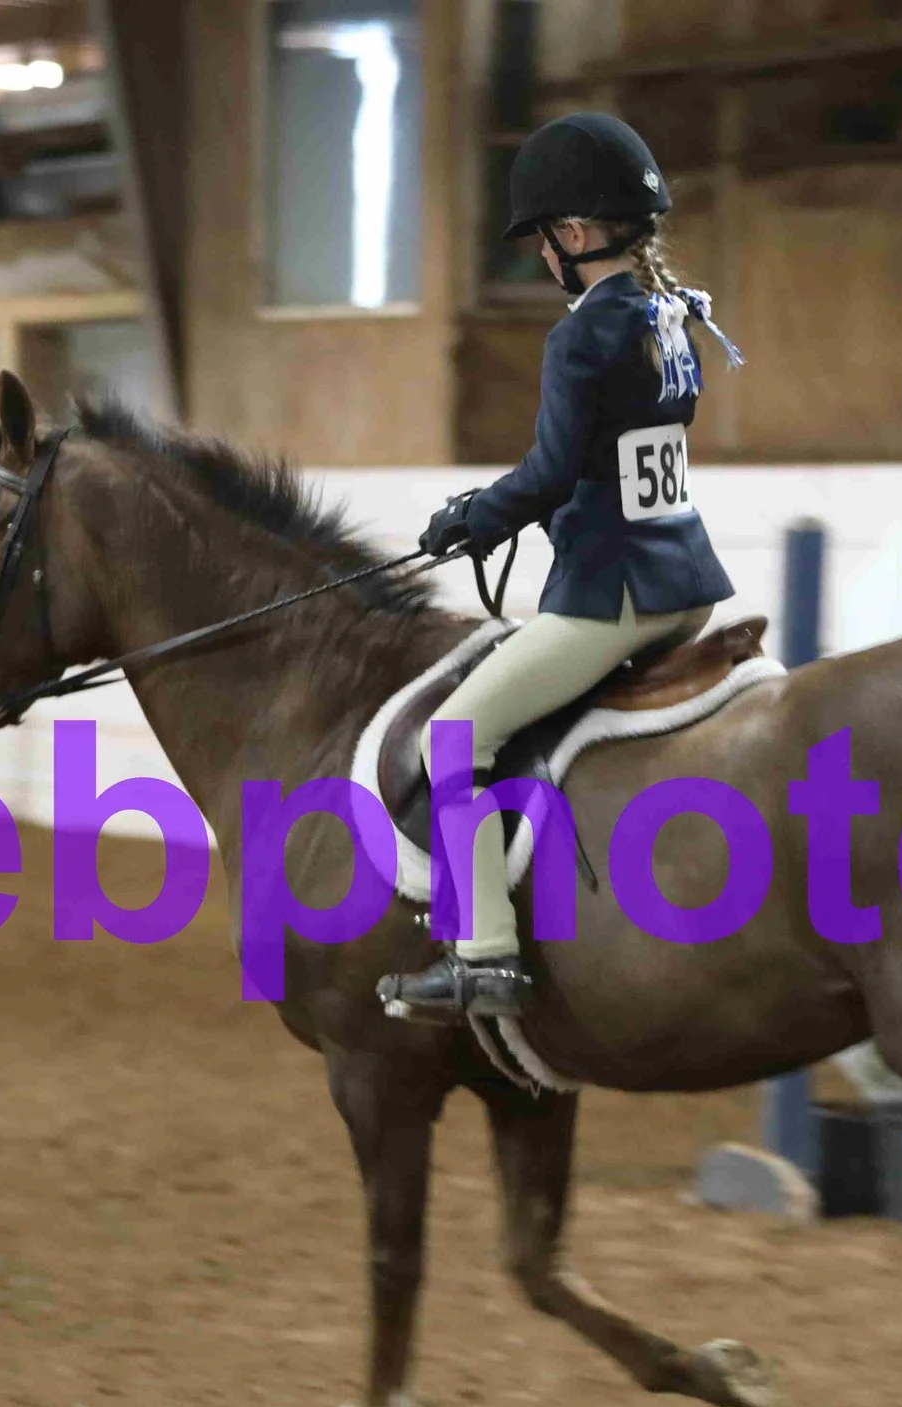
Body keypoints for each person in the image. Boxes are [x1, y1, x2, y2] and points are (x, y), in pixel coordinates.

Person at [379, 111, 743, 1026]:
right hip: (686, 586)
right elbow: (614, 459)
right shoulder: (670, 316)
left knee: (454, 737)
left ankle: (484, 954)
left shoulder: (583, 334)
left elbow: (550, 473)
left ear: (575, 235)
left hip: (614, 595)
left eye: (546, 240)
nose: (545, 256)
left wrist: (472, 519)